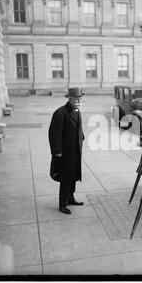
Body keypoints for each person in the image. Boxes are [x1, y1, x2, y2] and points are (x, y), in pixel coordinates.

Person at [48, 87, 85, 215]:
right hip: (65, 154)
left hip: (76, 152)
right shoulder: (60, 113)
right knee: (65, 178)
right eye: (76, 98)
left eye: (80, 98)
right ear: (69, 99)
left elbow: (79, 128)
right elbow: (54, 134)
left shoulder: (77, 111)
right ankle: (62, 204)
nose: (79, 100)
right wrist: (57, 151)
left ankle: (71, 198)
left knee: (74, 176)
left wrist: (81, 137)